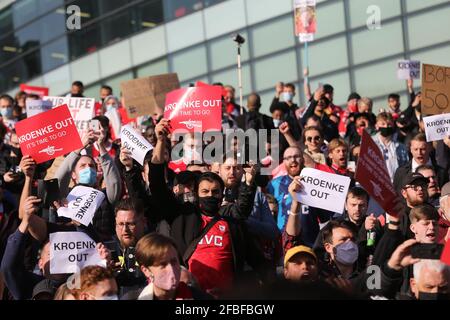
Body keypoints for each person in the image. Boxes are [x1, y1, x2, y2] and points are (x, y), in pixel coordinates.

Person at [148, 119, 267, 297]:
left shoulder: (232, 223)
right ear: (196, 194)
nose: (210, 195)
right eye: (205, 191)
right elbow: (156, 183)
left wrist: (249, 181)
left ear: (222, 195)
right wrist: (160, 141)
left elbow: (260, 264)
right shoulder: (181, 216)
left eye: (215, 192)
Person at [54, 130, 122, 240]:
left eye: (91, 166)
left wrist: (101, 146)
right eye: (82, 166)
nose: (88, 169)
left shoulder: (104, 195)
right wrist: (79, 148)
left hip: (102, 248)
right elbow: (59, 180)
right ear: (73, 175)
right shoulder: (67, 195)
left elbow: (114, 182)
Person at [124, 233, 210, 300]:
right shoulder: (131, 298)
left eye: (174, 262)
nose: (171, 270)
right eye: (163, 264)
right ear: (146, 270)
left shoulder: (202, 298)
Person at [109, 198, 147, 297]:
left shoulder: (156, 248)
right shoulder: (106, 250)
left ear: (144, 222)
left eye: (131, 224)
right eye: (121, 224)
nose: (125, 230)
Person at [372, 112, 409, 181]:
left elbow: (405, 166)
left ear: (393, 125)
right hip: (378, 183)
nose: (386, 127)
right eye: (383, 124)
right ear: (376, 126)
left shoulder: (400, 146)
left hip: (396, 184)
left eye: (389, 124)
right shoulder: (370, 143)